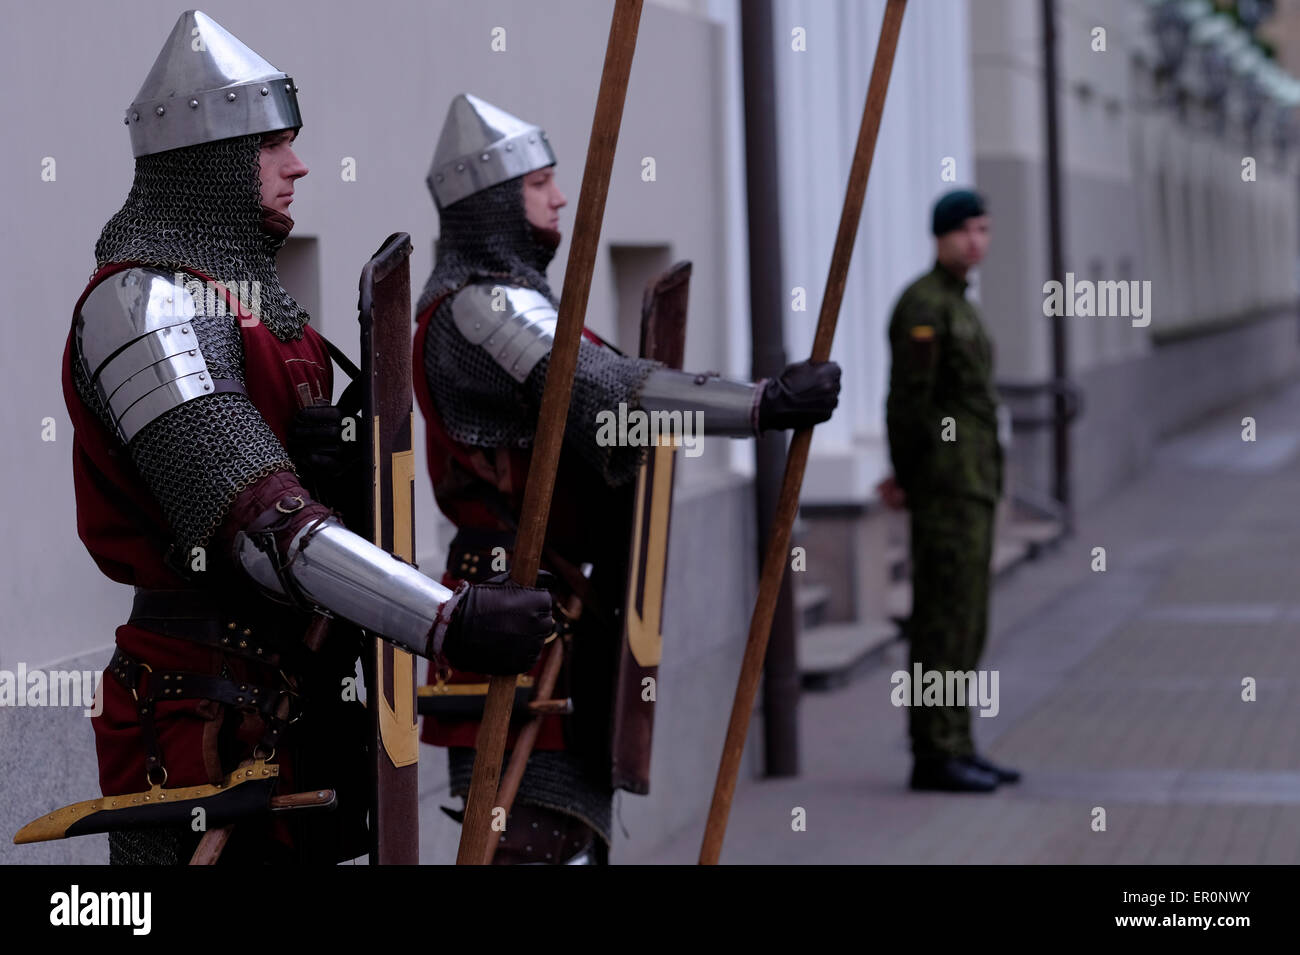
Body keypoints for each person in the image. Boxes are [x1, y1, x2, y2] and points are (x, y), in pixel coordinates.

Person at [60, 12, 551, 865]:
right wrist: (447, 618)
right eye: (272, 145)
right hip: (198, 714)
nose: (299, 164)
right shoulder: (145, 307)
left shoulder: (264, 310)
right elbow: (261, 527)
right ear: (205, 162)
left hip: (292, 697)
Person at [414, 94, 842, 863]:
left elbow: (608, 389)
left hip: (562, 611)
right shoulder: (480, 312)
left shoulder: (521, 305)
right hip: (518, 614)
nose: (560, 195)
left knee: (564, 838)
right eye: (539, 181)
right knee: (528, 841)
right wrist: (762, 403)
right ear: (491, 202)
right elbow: (612, 391)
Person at [882, 189, 1021, 793]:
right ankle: (933, 752)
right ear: (940, 235)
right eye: (966, 230)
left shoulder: (962, 306)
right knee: (942, 621)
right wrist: (909, 476)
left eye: (985, 230)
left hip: (972, 487)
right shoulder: (924, 306)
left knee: (967, 620)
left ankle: (959, 740)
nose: (976, 242)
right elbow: (909, 404)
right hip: (943, 486)